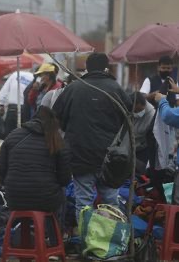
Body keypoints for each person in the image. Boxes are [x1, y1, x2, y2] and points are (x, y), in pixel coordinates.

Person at [53, 53, 132, 220]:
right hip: (110, 157)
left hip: (80, 155)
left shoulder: (73, 89)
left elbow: (57, 117)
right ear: (105, 67)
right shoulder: (115, 89)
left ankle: (86, 242)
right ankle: (111, 241)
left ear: (87, 68)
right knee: (111, 202)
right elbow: (128, 120)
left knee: (83, 203)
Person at [0, 106, 71, 212]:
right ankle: (54, 227)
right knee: (63, 193)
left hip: (14, 198)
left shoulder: (13, 135)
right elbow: (65, 179)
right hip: (46, 199)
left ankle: (20, 227)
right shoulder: (56, 140)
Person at [0, 70, 34, 138]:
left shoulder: (14, 75)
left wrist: (1, 104)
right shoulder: (33, 77)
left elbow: (4, 91)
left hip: (13, 108)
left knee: (9, 134)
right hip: (26, 109)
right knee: (24, 134)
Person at [130, 92, 155, 175]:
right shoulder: (128, 108)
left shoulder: (152, 115)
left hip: (142, 148)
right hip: (128, 146)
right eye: (135, 110)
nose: (137, 112)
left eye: (140, 110)